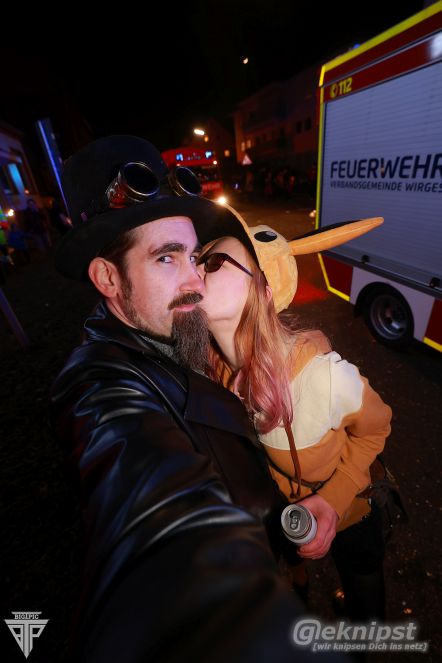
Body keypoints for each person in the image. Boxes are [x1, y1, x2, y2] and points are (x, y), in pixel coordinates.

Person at [50, 136, 341, 663]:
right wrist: (240, 623)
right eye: (166, 258)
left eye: (193, 257)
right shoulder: (99, 386)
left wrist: (285, 516)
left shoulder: (174, 335)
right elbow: (158, 515)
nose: (196, 282)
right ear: (108, 278)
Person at [195, 212, 392, 623]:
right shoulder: (213, 372)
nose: (194, 268)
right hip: (284, 515)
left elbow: (377, 430)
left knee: (366, 606)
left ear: (262, 292)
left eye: (212, 262)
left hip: (351, 514)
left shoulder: (325, 378)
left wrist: (335, 501)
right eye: (196, 258)